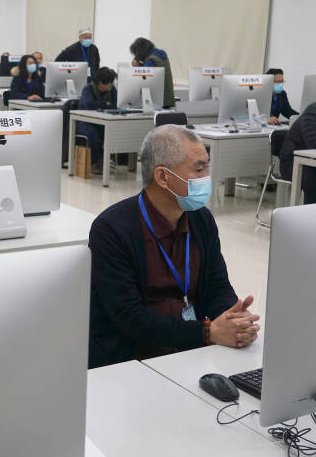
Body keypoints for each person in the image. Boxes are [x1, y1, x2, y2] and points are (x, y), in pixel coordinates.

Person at [88, 125, 260, 368]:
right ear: (162, 177)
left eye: (206, 167)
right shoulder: (111, 229)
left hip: (191, 351)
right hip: (132, 361)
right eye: (199, 169)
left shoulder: (201, 219)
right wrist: (207, 332)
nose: (207, 177)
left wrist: (232, 318)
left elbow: (216, 285)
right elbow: (129, 317)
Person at [76, 67, 118, 176]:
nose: (111, 84)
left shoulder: (112, 90)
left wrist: (101, 105)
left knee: (108, 131)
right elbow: (89, 105)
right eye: (109, 82)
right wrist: (105, 104)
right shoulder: (88, 89)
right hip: (83, 122)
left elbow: (116, 105)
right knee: (93, 132)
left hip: (102, 122)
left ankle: (103, 160)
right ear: (100, 83)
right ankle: (94, 162)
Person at [130, 37, 174, 108]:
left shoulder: (150, 60)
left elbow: (145, 80)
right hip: (168, 99)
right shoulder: (160, 54)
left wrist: (137, 67)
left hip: (158, 103)